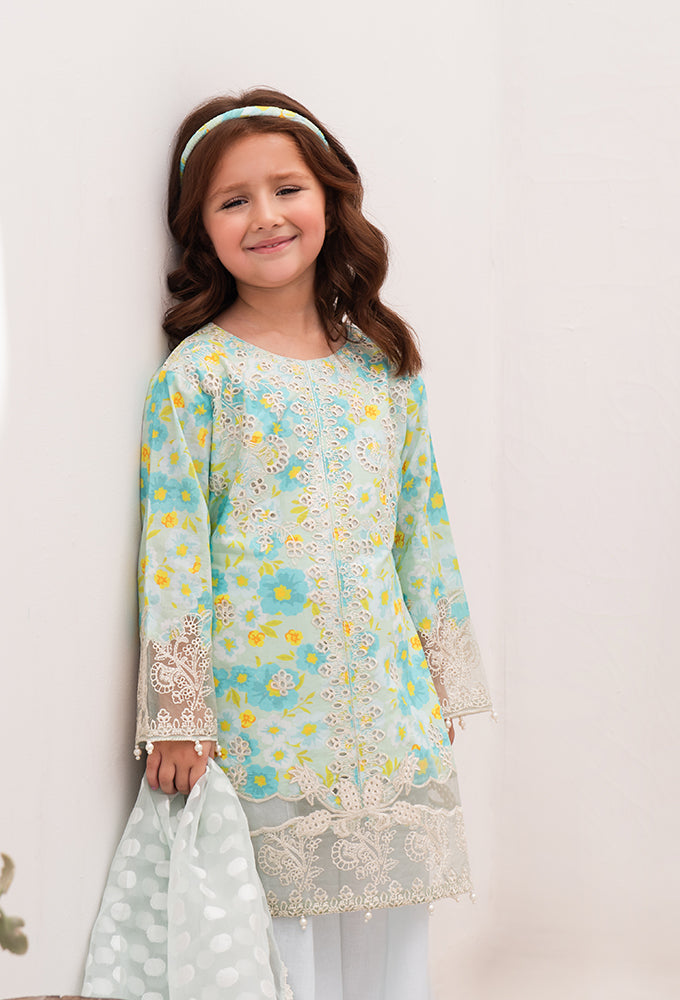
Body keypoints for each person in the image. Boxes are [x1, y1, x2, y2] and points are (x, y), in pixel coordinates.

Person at [113, 87, 492, 1000]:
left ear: (330, 198)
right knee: (280, 928)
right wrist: (179, 711)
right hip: (265, 708)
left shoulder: (382, 366)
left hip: (385, 697)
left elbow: (422, 527)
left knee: (393, 926)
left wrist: (439, 673)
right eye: (233, 200)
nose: (267, 217)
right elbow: (174, 550)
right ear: (200, 230)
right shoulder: (198, 377)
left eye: (287, 189)